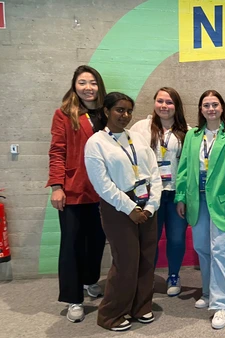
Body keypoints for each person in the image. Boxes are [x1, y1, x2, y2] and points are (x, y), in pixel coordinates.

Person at [84, 92, 162, 331]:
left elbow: (154, 173)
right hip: (118, 207)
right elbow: (102, 185)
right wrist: (130, 209)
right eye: (119, 110)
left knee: (147, 259)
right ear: (106, 111)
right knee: (126, 260)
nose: (125, 115)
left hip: (146, 204)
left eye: (129, 110)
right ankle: (111, 314)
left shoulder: (136, 138)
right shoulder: (96, 143)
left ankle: (140, 306)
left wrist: (150, 206)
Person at [175, 90, 225, 329]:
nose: (211, 108)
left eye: (215, 104)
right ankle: (207, 292)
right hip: (197, 200)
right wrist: (181, 196)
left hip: (222, 202)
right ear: (201, 109)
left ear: (222, 108)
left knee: (220, 251)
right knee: (202, 248)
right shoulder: (193, 135)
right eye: (206, 105)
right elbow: (184, 168)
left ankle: (221, 304)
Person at [47, 65, 107, 323]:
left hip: (103, 191)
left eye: (92, 82)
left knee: (97, 240)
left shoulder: (106, 114)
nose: (88, 87)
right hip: (73, 189)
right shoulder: (64, 114)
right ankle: (74, 298)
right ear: (75, 86)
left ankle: (90, 280)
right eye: (82, 82)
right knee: (72, 245)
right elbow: (57, 151)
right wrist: (57, 186)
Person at [130, 87, 190, 297]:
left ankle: (174, 275)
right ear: (154, 102)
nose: (164, 106)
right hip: (149, 195)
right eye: (161, 101)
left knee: (176, 238)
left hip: (175, 195)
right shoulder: (140, 128)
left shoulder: (187, 131)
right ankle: (147, 276)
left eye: (169, 102)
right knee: (150, 239)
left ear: (176, 106)